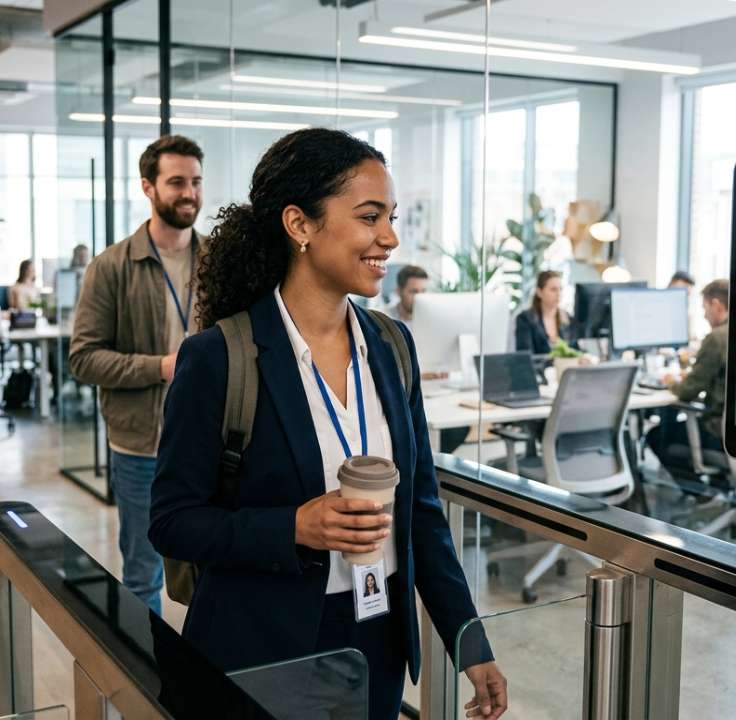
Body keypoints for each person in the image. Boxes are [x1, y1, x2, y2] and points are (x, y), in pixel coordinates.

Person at [149, 129, 507, 720]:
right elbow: (172, 521)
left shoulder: (392, 347)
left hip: (376, 640)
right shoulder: (221, 357)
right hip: (262, 651)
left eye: (389, 218)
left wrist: (470, 641)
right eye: (369, 217)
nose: (389, 238)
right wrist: (294, 526)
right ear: (300, 225)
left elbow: (420, 511)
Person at [69, 134, 206, 615]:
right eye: (176, 183)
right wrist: (162, 367)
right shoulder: (112, 266)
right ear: (148, 187)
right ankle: (146, 680)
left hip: (210, 444)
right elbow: (83, 358)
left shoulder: (219, 263)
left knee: (213, 571)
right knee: (143, 572)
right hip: (141, 447)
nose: (188, 193)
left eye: (195, 182)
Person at [646, 280, 730, 474]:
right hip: (734, 434)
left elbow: (687, 391)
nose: (704, 315)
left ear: (716, 305)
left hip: (716, 433)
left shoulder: (716, 338)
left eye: (705, 308)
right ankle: (719, 486)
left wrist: (671, 382)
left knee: (656, 436)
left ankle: (701, 494)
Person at [515, 269, 576, 353]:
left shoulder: (568, 319)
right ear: (539, 292)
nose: (559, 294)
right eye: (553, 289)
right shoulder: (525, 319)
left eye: (560, 289)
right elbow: (526, 356)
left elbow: (574, 350)